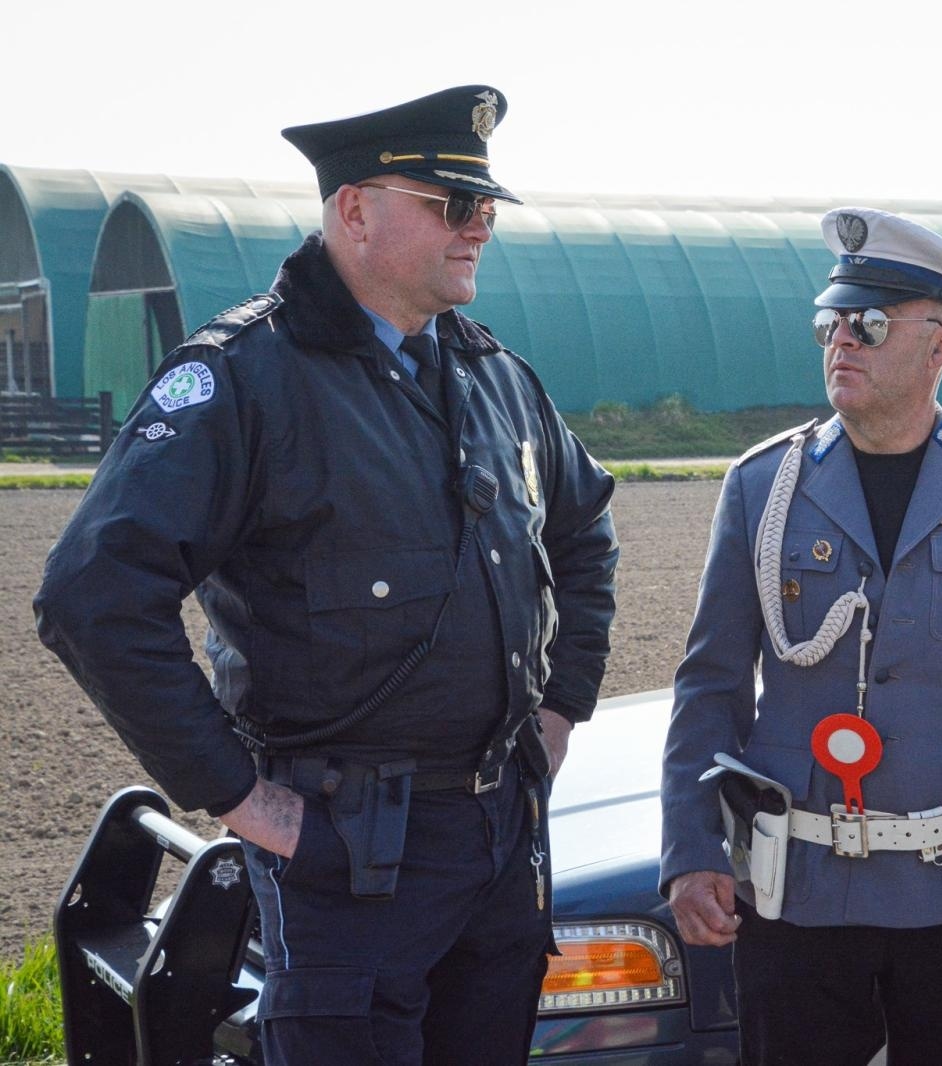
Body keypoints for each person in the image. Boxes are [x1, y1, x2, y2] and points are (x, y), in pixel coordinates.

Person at [35, 86, 619, 1066]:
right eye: (449, 205)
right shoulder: (244, 380)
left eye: (484, 208)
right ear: (354, 209)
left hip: (498, 846)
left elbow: (584, 533)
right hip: (350, 855)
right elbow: (93, 595)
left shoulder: (496, 378)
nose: (478, 229)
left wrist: (560, 710)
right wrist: (241, 800)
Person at [660, 206, 942, 1065]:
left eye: (868, 325)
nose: (842, 343)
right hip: (797, 892)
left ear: (940, 347)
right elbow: (709, 685)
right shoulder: (766, 485)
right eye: (830, 322)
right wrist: (689, 849)